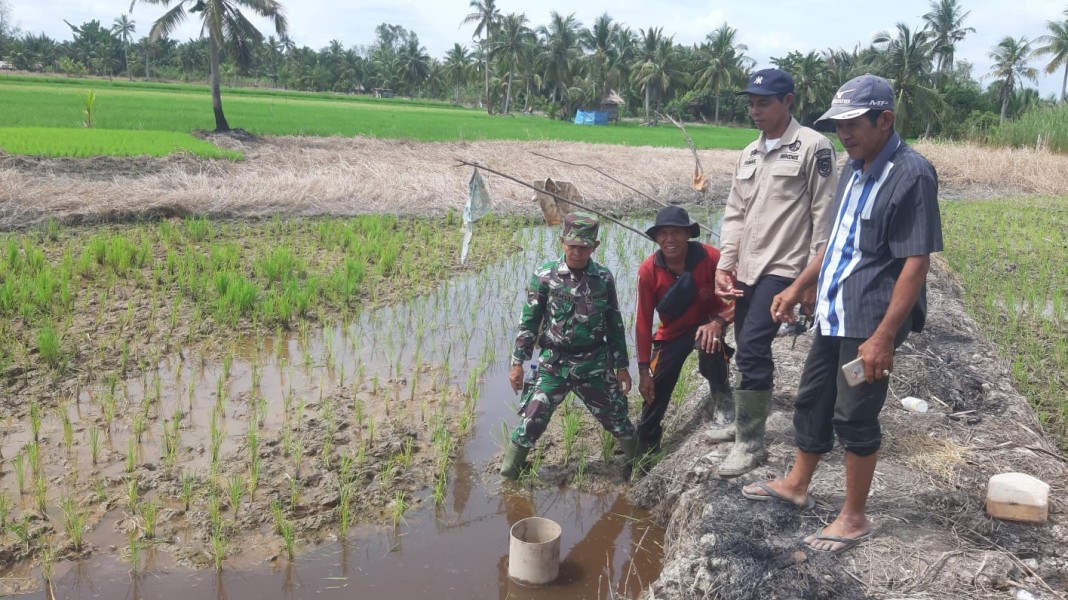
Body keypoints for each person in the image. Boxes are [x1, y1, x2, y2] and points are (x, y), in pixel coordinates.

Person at [742, 74, 943, 554]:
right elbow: (835, 244)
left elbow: (916, 262)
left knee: (854, 414)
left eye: (854, 123)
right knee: (812, 399)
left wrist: (883, 337)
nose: (844, 134)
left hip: (869, 321)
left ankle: (854, 517)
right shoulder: (854, 169)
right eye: (839, 125)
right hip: (833, 313)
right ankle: (797, 483)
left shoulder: (911, 173)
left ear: (884, 120)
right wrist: (795, 289)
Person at [712, 68, 840, 476]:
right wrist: (725, 264)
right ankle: (743, 425)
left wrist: (812, 280)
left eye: (763, 102)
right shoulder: (749, 153)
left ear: (788, 101)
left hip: (785, 268)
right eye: (751, 102)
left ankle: (750, 445)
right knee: (746, 345)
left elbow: (824, 218)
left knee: (750, 347)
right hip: (748, 268)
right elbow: (735, 213)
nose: (755, 110)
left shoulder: (813, 147)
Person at [501, 211, 638, 480]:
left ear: (594, 246)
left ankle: (641, 467)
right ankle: (509, 475)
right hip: (554, 364)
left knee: (618, 420)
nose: (577, 252)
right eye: (572, 245)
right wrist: (517, 363)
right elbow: (529, 322)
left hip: (594, 364)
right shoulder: (544, 276)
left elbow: (614, 323)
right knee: (531, 421)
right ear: (562, 242)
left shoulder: (604, 278)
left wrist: (622, 367)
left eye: (584, 247)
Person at [635, 206, 733, 461]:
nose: (670, 239)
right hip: (672, 333)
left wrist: (719, 322)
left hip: (708, 324)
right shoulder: (648, 271)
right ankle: (646, 444)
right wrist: (644, 371)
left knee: (709, 342)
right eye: (663, 233)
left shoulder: (710, 257)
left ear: (688, 234)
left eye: (676, 232)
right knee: (655, 389)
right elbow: (643, 323)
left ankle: (722, 400)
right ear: (656, 238)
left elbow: (739, 298)